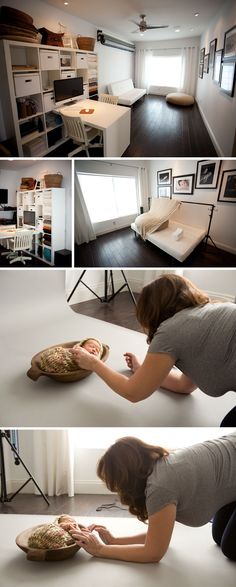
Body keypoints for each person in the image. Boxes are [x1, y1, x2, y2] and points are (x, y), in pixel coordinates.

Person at [70, 274, 236, 424]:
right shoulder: (210, 313)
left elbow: (133, 392)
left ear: (151, 311)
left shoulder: (171, 329)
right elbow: (184, 385)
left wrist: (93, 363)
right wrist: (141, 370)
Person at [67, 434, 236, 563]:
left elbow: (153, 552)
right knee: (219, 537)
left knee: (230, 548)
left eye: (115, 484)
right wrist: (114, 541)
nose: (117, 491)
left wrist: (100, 550)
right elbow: (157, 535)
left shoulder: (159, 486)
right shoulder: (159, 467)